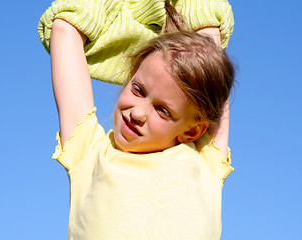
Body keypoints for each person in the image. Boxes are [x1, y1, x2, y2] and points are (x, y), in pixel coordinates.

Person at [40, 1, 235, 239]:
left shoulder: (205, 161)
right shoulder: (89, 152)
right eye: (138, 90)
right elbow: (64, 29)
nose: (137, 113)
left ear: (192, 131)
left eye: (162, 110)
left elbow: (208, 41)